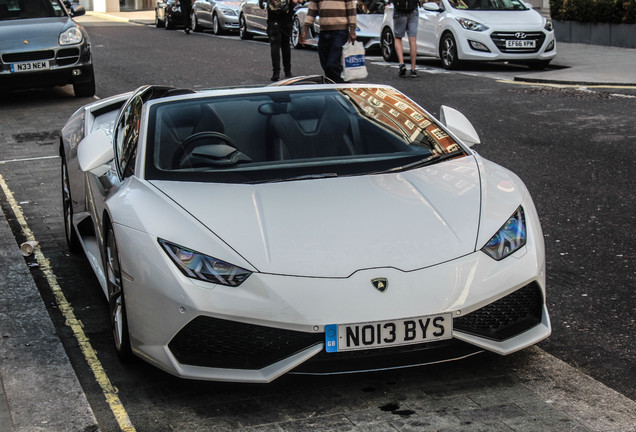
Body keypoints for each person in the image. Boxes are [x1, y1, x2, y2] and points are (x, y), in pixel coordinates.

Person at [300, 0, 357, 83]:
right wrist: (305, 30)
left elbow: (351, 8)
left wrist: (352, 29)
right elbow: (312, 10)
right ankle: (333, 87)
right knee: (325, 63)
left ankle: (344, 87)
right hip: (323, 31)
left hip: (340, 31)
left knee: (333, 64)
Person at [259, 0, 298, 81]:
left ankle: (276, 72)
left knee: (275, 45)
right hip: (287, 19)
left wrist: (261, 4)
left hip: (273, 19)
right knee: (286, 45)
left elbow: (261, 2)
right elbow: (295, 1)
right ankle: (287, 71)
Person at [392, 0, 421, 77]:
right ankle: (413, 69)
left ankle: (401, 63)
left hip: (399, 11)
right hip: (413, 10)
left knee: (398, 38)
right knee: (412, 40)